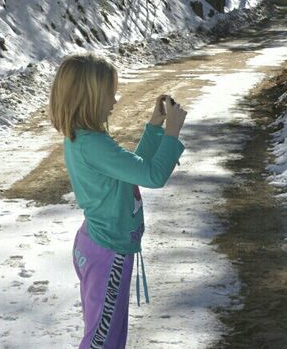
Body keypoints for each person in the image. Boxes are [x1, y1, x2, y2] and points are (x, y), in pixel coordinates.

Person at [49, 53, 187, 349]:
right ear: (90, 98)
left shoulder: (86, 139)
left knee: (108, 335)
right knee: (102, 341)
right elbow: (153, 176)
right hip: (106, 252)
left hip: (101, 245)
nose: (114, 101)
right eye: (109, 94)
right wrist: (172, 132)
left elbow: (134, 169)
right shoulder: (93, 144)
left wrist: (154, 126)